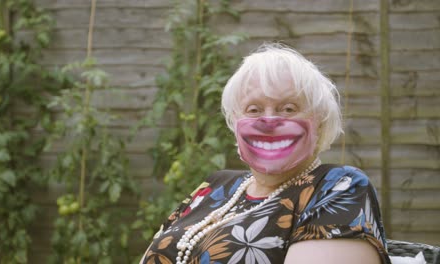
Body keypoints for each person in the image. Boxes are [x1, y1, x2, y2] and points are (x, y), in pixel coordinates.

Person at [140, 43, 391, 264]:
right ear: (235, 123)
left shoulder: (337, 187)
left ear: (320, 123)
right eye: (253, 109)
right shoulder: (214, 187)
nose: (269, 120)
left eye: (288, 108)